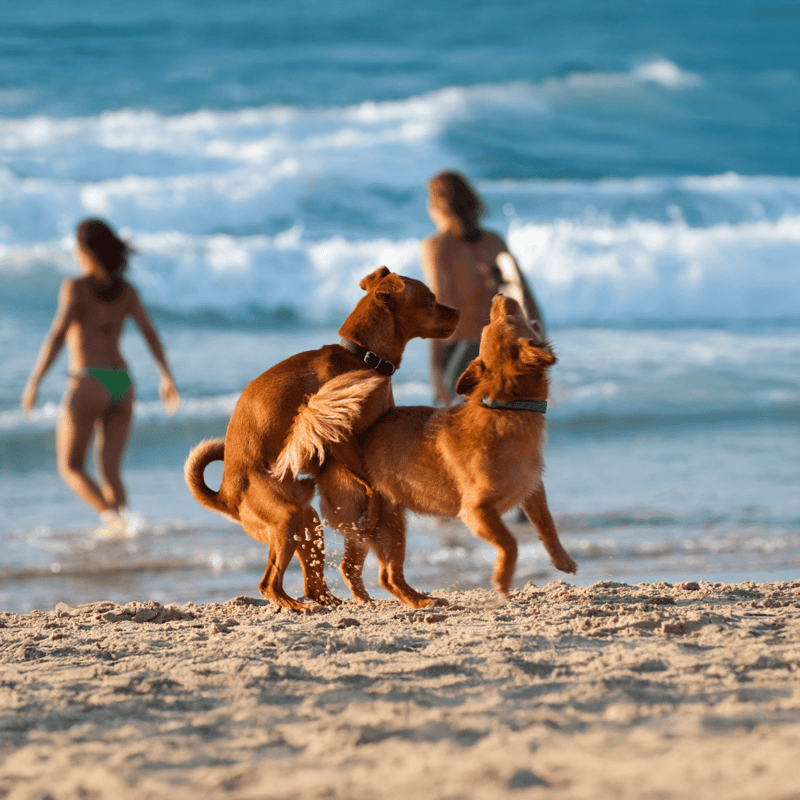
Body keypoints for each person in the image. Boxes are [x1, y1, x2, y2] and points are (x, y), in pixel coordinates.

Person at [21, 218, 179, 531]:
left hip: (89, 380)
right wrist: (166, 377)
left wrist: (35, 380)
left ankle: (116, 521)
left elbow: (57, 335)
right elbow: (151, 335)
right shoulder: (127, 292)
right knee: (110, 471)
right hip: (122, 382)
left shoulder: (76, 288)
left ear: (86, 251)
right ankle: (122, 532)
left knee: (70, 467)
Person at [421, 170, 546, 406]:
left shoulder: (436, 247)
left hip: (462, 355)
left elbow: (439, 311)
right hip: (501, 351)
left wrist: (436, 371)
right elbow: (524, 296)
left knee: (460, 437)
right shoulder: (494, 241)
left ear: (439, 204)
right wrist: (538, 348)